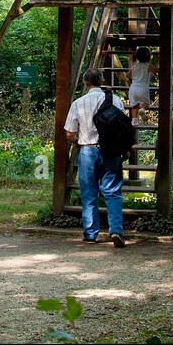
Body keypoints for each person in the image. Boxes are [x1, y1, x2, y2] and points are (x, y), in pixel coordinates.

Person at [64, 68, 127, 247]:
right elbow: (123, 127)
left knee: (89, 192)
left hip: (88, 151)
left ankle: (90, 233)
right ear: (102, 81)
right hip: (111, 150)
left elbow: (69, 133)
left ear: (85, 83)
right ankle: (116, 230)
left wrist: (76, 142)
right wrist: (125, 148)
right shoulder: (115, 100)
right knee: (113, 192)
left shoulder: (78, 102)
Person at [127, 46, 152, 121]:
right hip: (143, 88)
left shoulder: (134, 66)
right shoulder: (148, 66)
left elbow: (127, 75)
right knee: (146, 103)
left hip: (133, 88)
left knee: (134, 105)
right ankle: (143, 109)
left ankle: (134, 120)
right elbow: (156, 70)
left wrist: (134, 77)